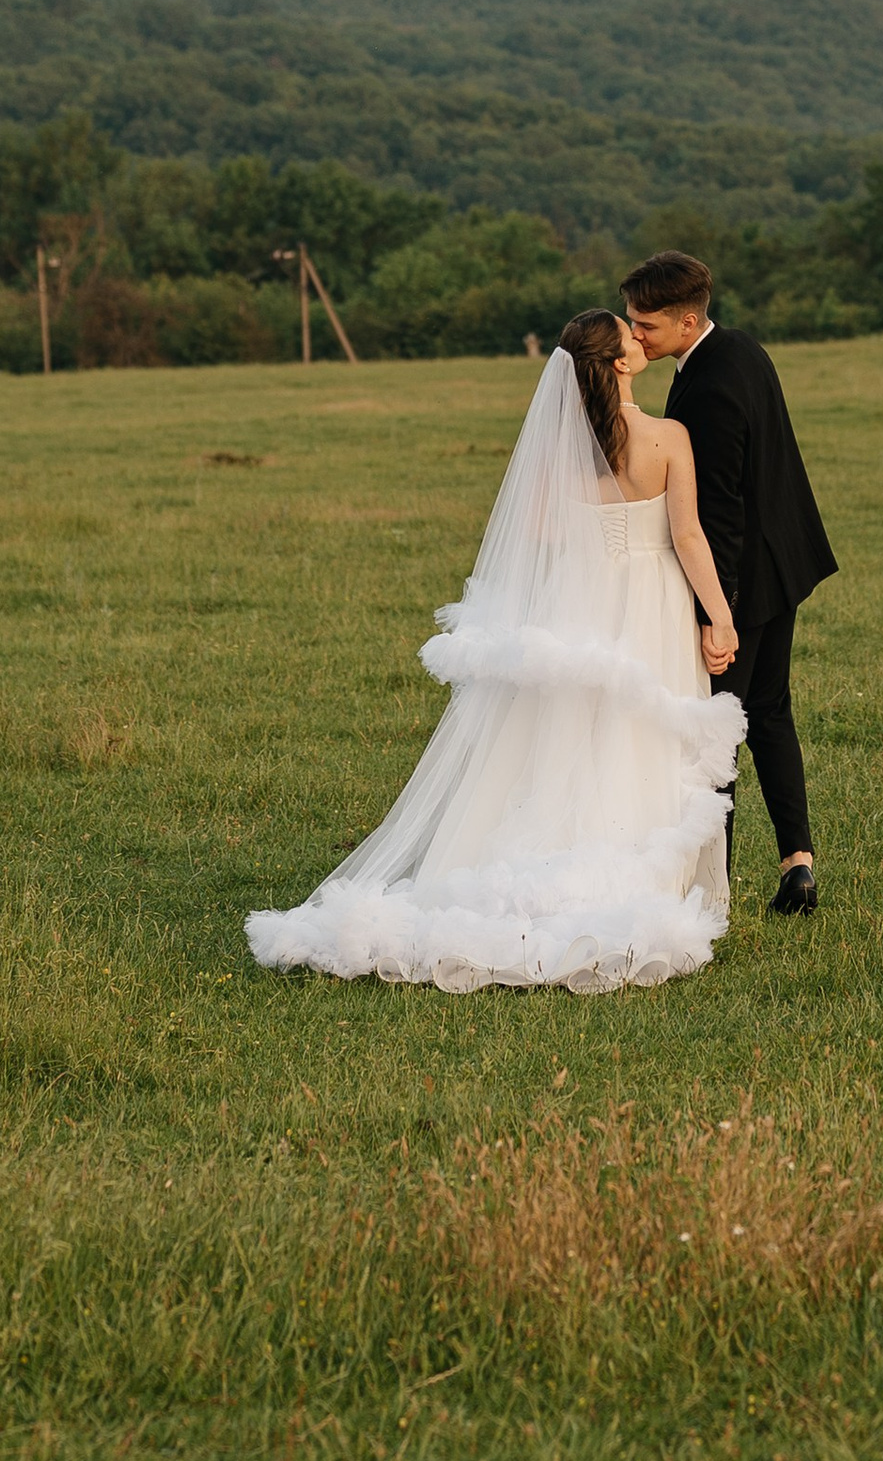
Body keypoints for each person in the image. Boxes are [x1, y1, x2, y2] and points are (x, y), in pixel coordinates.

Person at [245, 313, 743, 992]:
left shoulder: (567, 450)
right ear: (621, 364)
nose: (638, 336)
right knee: (643, 732)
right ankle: (641, 880)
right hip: (654, 601)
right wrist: (719, 617)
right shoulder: (668, 437)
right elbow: (686, 536)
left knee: (569, 733)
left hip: (583, 596)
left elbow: (535, 529)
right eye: (629, 335)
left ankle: (556, 861)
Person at [619, 251, 835, 916]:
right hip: (784, 563)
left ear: (687, 322)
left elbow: (718, 517)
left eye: (647, 325)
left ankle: (712, 889)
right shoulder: (742, 349)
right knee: (769, 713)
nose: (636, 336)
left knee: (715, 733)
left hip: (744, 579)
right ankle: (798, 864)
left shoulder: (708, 388)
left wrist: (721, 616)